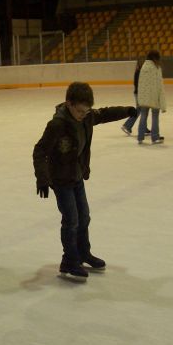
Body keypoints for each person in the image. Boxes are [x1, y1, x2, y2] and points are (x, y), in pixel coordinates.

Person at [33, 82, 136, 282]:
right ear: (68, 103)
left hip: (77, 175)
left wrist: (127, 110)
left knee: (84, 217)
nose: (83, 114)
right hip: (61, 180)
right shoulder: (57, 124)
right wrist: (42, 178)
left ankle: (83, 253)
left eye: (86, 111)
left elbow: (105, 114)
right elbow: (40, 151)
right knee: (71, 219)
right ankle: (70, 261)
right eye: (79, 111)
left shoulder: (87, 117)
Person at [136, 51, 167, 144]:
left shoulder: (143, 67)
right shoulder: (156, 68)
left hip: (144, 97)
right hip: (154, 97)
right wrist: (162, 101)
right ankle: (155, 137)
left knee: (143, 116)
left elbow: (140, 84)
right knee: (155, 117)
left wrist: (140, 98)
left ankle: (140, 137)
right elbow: (159, 85)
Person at [121, 58, 150, 137]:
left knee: (142, 111)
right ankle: (127, 125)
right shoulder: (140, 72)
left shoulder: (138, 71)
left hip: (138, 94)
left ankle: (143, 128)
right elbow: (139, 85)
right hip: (140, 94)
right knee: (140, 111)